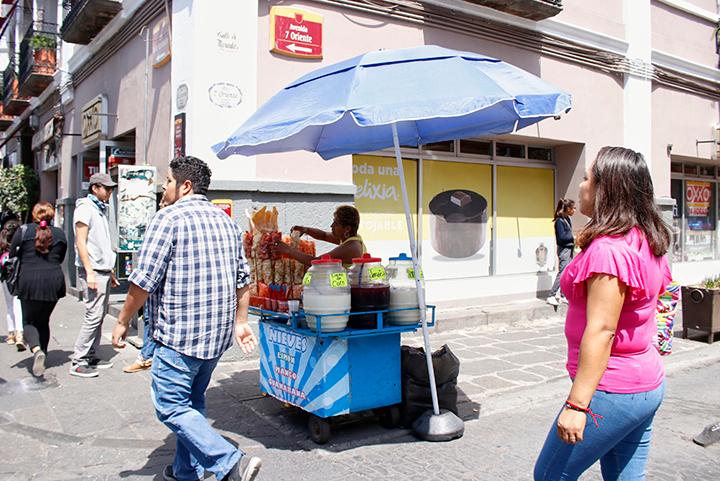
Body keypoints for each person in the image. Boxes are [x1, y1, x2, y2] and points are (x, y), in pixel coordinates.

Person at [111, 155, 262, 481]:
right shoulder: (226, 221)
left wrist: (123, 320)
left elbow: (143, 280)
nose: (163, 188)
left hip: (180, 337)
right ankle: (183, 473)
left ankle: (228, 462)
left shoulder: (168, 218)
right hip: (216, 337)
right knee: (191, 403)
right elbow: (242, 279)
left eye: (167, 181)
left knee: (170, 405)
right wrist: (241, 321)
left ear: (185, 185)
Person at [534, 147, 672, 481]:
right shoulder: (644, 239)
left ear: (605, 190)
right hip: (646, 381)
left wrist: (577, 405)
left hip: (614, 389)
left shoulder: (610, 251)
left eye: (586, 178)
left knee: (550, 475)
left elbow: (602, 330)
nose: (580, 186)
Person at [70, 172, 120, 378]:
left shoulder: (100, 209)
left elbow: (101, 243)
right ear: (95, 188)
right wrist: (89, 271)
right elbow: (80, 242)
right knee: (93, 315)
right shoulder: (85, 208)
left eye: (110, 189)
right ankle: (78, 360)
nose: (110, 192)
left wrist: (110, 270)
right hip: (92, 271)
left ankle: (91, 355)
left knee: (99, 314)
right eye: (106, 188)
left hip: (102, 270)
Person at [9, 202, 67, 377]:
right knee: (43, 320)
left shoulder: (24, 231)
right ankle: (44, 352)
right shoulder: (59, 233)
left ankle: (36, 350)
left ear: (34, 215)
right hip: (53, 281)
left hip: (29, 281)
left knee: (28, 321)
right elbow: (62, 256)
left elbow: (12, 255)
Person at [123, 198, 168, 374]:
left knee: (151, 320)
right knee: (149, 320)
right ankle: (147, 355)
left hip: (159, 288)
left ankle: (147, 357)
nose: (161, 203)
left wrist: (122, 321)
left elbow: (146, 276)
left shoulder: (165, 220)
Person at [273, 205, 366, 267]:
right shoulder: (350, 238)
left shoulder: (351, 247)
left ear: (347, 229)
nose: (332, 225)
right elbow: (324, 235)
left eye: (336, 223)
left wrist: (288, 250)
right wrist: (306, 229)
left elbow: (315, 262)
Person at [546, 198, 576, 306]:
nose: (574, 210)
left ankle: (563, 295)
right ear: (567, 209)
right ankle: (551, 295)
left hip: (569, 248)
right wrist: (573, 238)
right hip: (564, 249)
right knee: (562, 272)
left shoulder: (567, 219)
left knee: (567, 272)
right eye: (573, 208)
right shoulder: (559, 221)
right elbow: (562, 237)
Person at [1, 219, 24, 351]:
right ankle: (19, 333)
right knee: (18, 304)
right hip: (17, 276)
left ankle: (11, 334)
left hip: (5, 277)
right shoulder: (19, 244)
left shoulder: (2, 244)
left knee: (9, 305)